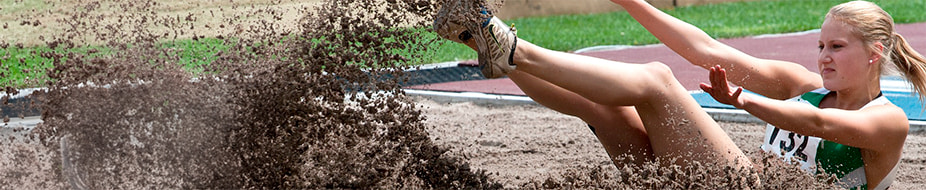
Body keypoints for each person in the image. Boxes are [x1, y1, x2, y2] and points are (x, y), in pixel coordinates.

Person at [434, 0, 924, 189]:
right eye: (820, 45)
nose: (823, 57)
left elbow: (817, 125)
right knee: (605, 106)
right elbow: (703, 48)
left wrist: (741, 101)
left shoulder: (888, 121)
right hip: (726, 183)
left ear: (876, 53)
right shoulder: (802, 85)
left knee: (655, 81)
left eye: (837, 47)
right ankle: (482, 41)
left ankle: (511, 47)